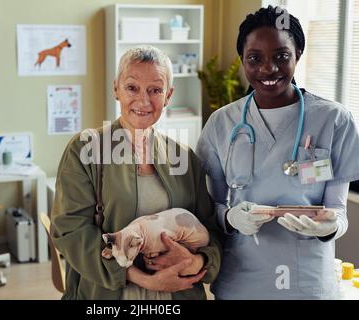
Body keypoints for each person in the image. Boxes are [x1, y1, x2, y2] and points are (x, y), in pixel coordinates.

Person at [196, 6, 359, 299]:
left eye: (281, 56)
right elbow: (211, 209)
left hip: (307, 283)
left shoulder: (334, 120)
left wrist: (330, 225)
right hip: (241, 280)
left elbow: (338, 211)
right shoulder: (221, 124)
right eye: (254, 58)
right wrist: (231, 218)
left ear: (298, 54)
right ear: (242, 60)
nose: (268, 69)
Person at [51, 45, 223, 300]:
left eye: (155, 90)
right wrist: (145, 279)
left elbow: (212, 232)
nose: (143, 101)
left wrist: (197, 262)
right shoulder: (85, 150)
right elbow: (71, 232)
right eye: (132, 88)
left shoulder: (185, 158)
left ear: (168, 96)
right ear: (116, 89)